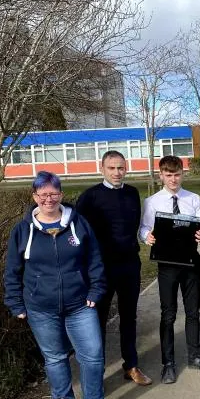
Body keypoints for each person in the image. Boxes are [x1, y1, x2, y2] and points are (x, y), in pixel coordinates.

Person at [4, 171, 123, 399]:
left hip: (80, 304)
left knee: (92, 355)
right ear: (34, 196)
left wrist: (95, 291)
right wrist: (15, 303)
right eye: (43, 194)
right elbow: (12, 269)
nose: (49, 199)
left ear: (61, 194)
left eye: (53, 193)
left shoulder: (78, 223)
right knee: (55, 357)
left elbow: (94, 260)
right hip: (41, 308)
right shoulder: (23, 230)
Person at [140, 155, 200, 384]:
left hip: (190, 262)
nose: (173, 179)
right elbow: (144, 227)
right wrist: (148, 236)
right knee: (169, 314)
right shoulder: (152, 202)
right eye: (168, 175)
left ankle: (195, 356)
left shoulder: (193, 199)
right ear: (161, 176)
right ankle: (168, 363)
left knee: (193, 312)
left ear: (183, 174)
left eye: (177, 174)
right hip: (167, 264)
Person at [75, 150, 152, 386]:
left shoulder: (132, 193)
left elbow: (134, 227)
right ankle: (96, 371)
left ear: (126, 168)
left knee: (129, 317)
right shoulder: (90, 197)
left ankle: (131, 365)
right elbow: (81, 236)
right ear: (102, 169)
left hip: (129, 265)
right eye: (112, 168)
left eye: (120, 168)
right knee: (97, 319)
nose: (117, 172)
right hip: (101, 269)